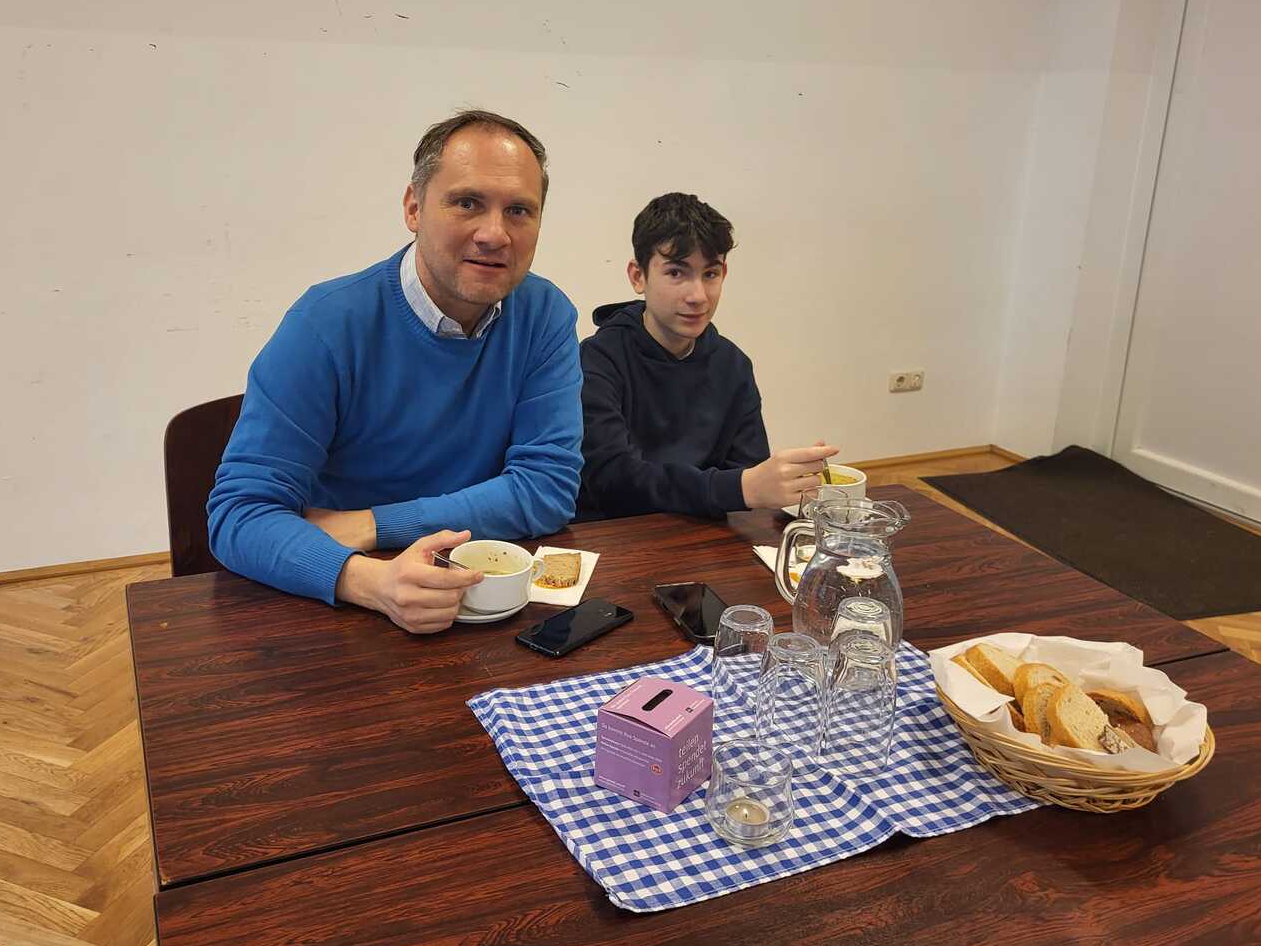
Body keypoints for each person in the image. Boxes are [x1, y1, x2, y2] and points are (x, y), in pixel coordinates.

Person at [208, 111, 583, 633]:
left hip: (483, 594)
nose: (494, 234)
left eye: (519, 210)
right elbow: (241, 513)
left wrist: (373, 524)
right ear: (413, 207)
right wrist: (369, 581)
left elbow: (548, 488)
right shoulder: (324, 324)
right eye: (467, 203)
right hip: (342, 599)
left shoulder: (545, 316)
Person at [575, 192, 838, 520]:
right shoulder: (597, 360)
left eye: (710, 274)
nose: (698, 296)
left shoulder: (733, 364)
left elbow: (746, 473)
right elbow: (613, 482)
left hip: (705, 534)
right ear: (637, 276)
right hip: (616, 536)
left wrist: (777, 481)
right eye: (676, 273)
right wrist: (739, 487)